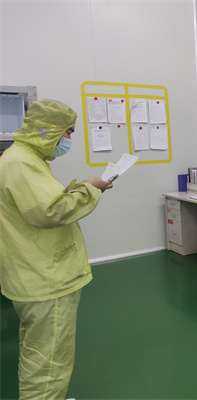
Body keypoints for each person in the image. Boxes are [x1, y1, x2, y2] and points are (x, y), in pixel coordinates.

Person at [0, 99, 113, 399]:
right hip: (45, 278)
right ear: (48, 129)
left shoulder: (23, 158)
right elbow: (51, 211)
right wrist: (91, 188)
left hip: (32, 275)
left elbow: (40, 204)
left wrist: (80, 188)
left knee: (39, 351)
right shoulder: (21, 163)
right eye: (69, 132)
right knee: (49, 361)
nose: (69, 139)